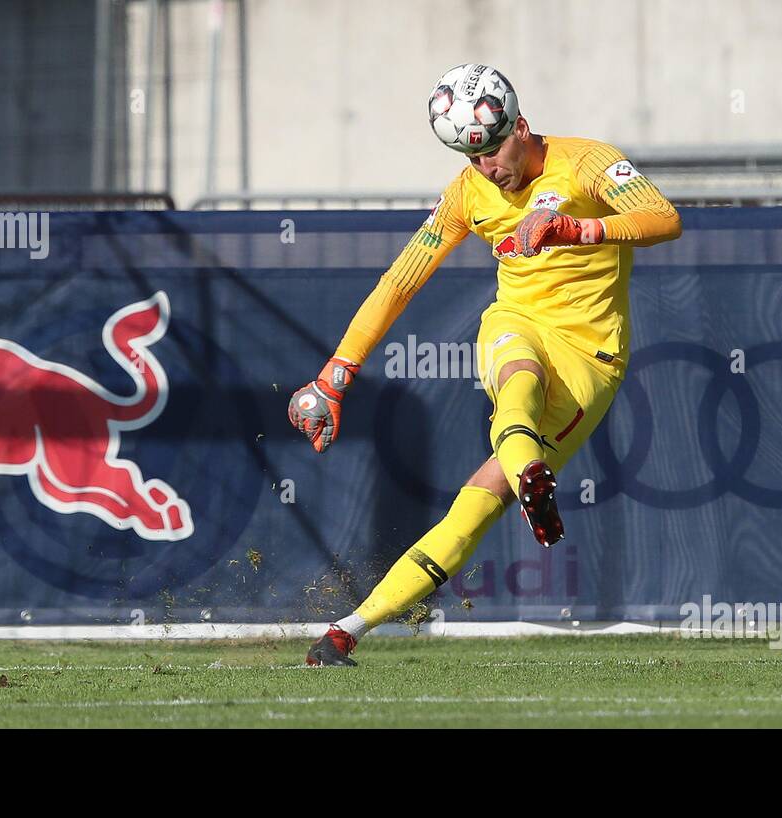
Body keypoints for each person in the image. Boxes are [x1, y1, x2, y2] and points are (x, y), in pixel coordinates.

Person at [289, 64, 683, 666]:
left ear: (521, 126)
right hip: (517, 322)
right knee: (513, 372)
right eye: (471, 158)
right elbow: (400, 281)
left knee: (475, 502)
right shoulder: (467, 194)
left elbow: (664, 219)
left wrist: (578, 228)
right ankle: (532, 479)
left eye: (494, 151)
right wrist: (334, 375)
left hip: (591, 358)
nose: (487, 169)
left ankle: (350, 626)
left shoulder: (587, 162)